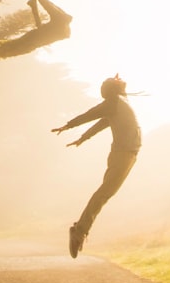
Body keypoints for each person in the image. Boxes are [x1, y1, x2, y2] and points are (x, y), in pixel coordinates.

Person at [52, 74, 142, 259]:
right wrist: (69, 126)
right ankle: (79, 230)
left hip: (128, 155)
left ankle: (80, 229)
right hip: (123, 154)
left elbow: (100, 123)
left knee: (105, 193)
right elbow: (90, 115)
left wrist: (82, 138)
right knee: (104, 193)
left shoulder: (117, 104)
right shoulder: (114, 102)